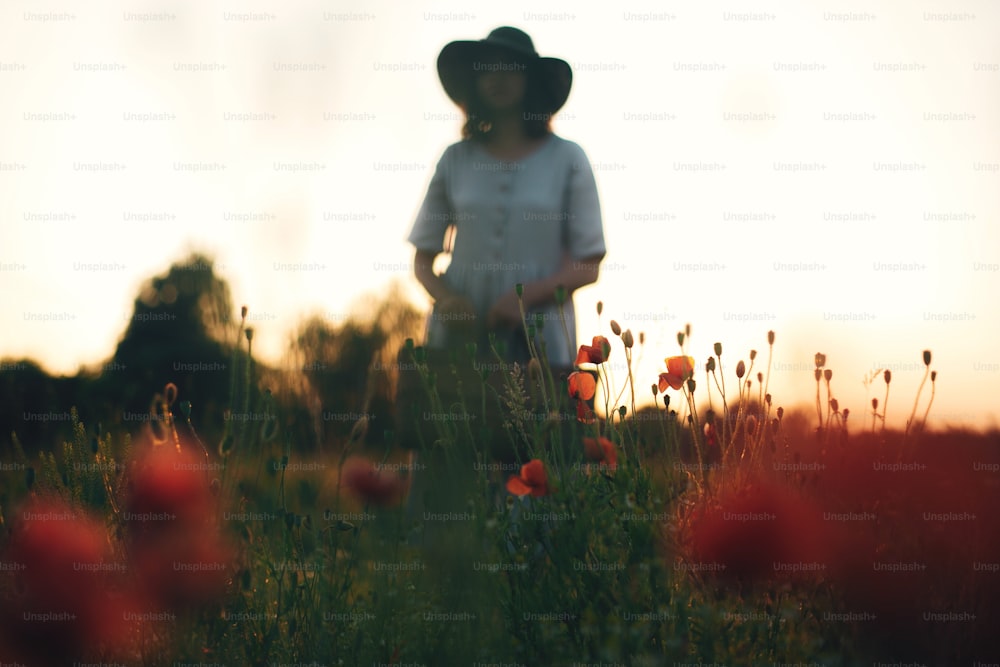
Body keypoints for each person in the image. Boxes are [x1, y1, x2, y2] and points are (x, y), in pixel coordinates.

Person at [403, 26, 606, 525]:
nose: (497, 79)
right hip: (458, 340)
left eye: (509, 68)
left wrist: (523, 301)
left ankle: (531, 585)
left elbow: (587, 262)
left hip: (541, 345)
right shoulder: (455, 160)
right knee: (447, 465)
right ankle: (443, 584)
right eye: (486, 69)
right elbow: (423, 260)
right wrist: (445, 297)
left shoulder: (568, 159)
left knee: (535, 469)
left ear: (531, 82)